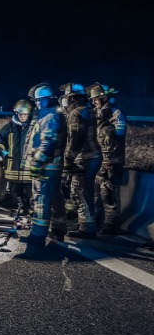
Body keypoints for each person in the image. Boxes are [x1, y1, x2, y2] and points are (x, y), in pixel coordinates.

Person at [21, 83, 68, 245]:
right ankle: (58, 230)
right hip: (51, 166)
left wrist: (37, 162)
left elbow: (47, 143)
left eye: (42, 100)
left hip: (46, 166)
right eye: (37, 100)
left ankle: (38, 235)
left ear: (50, 99)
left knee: (41, 200)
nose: (39, 103)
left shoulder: (49, 117)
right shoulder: (48, 115)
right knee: (54, 198)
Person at [59, 83, 102, 239]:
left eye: (67, 98)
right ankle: (88, 224)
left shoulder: (75, 113)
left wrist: (68, 161)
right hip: (94, 156)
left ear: (72, 99)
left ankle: (87, 228)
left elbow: (75, 139)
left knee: (79, 190)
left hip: (84, 157)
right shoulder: (89, 110)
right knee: (87, 191)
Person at [88, 82, 127, 236]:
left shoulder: (116, 114)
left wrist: (108, 130)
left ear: (104, 98)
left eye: (95, 98)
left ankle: (111, 224)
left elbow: (119, 134)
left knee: (108, 194)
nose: (93, 101)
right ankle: (97, 222)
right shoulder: (96, 114)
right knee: (96, 194)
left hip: (112, 161)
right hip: (98, 160)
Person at [0, 99, 34, 219]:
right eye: (21, 114)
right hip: (13, 167)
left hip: (28, 168)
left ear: (29, 114)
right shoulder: (8, 128)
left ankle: (30, 211)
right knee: (14, 191)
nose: (23, 117)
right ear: (16, 113)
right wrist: (3, 152)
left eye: (25, 114)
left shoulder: (34, 127)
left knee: (29, 192)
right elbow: (0, 142)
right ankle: (19, 209)